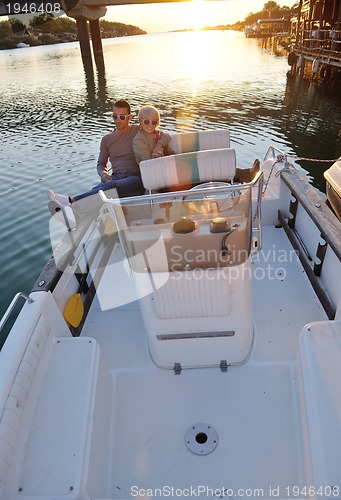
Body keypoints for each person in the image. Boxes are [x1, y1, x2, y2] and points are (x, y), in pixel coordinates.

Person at [48, 99, 145, 223]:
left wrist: (159, 146)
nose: (118, 120)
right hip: (116, 177)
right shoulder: (107, 139)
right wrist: (103, 174)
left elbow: (160, 134)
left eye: (122, 117)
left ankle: (70, 201)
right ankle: (74, 216)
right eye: (115, 116)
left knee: (109, 186)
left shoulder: (138, 131)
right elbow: (101, 164)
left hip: (135, 178)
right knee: (100, 187)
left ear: (130, 117)